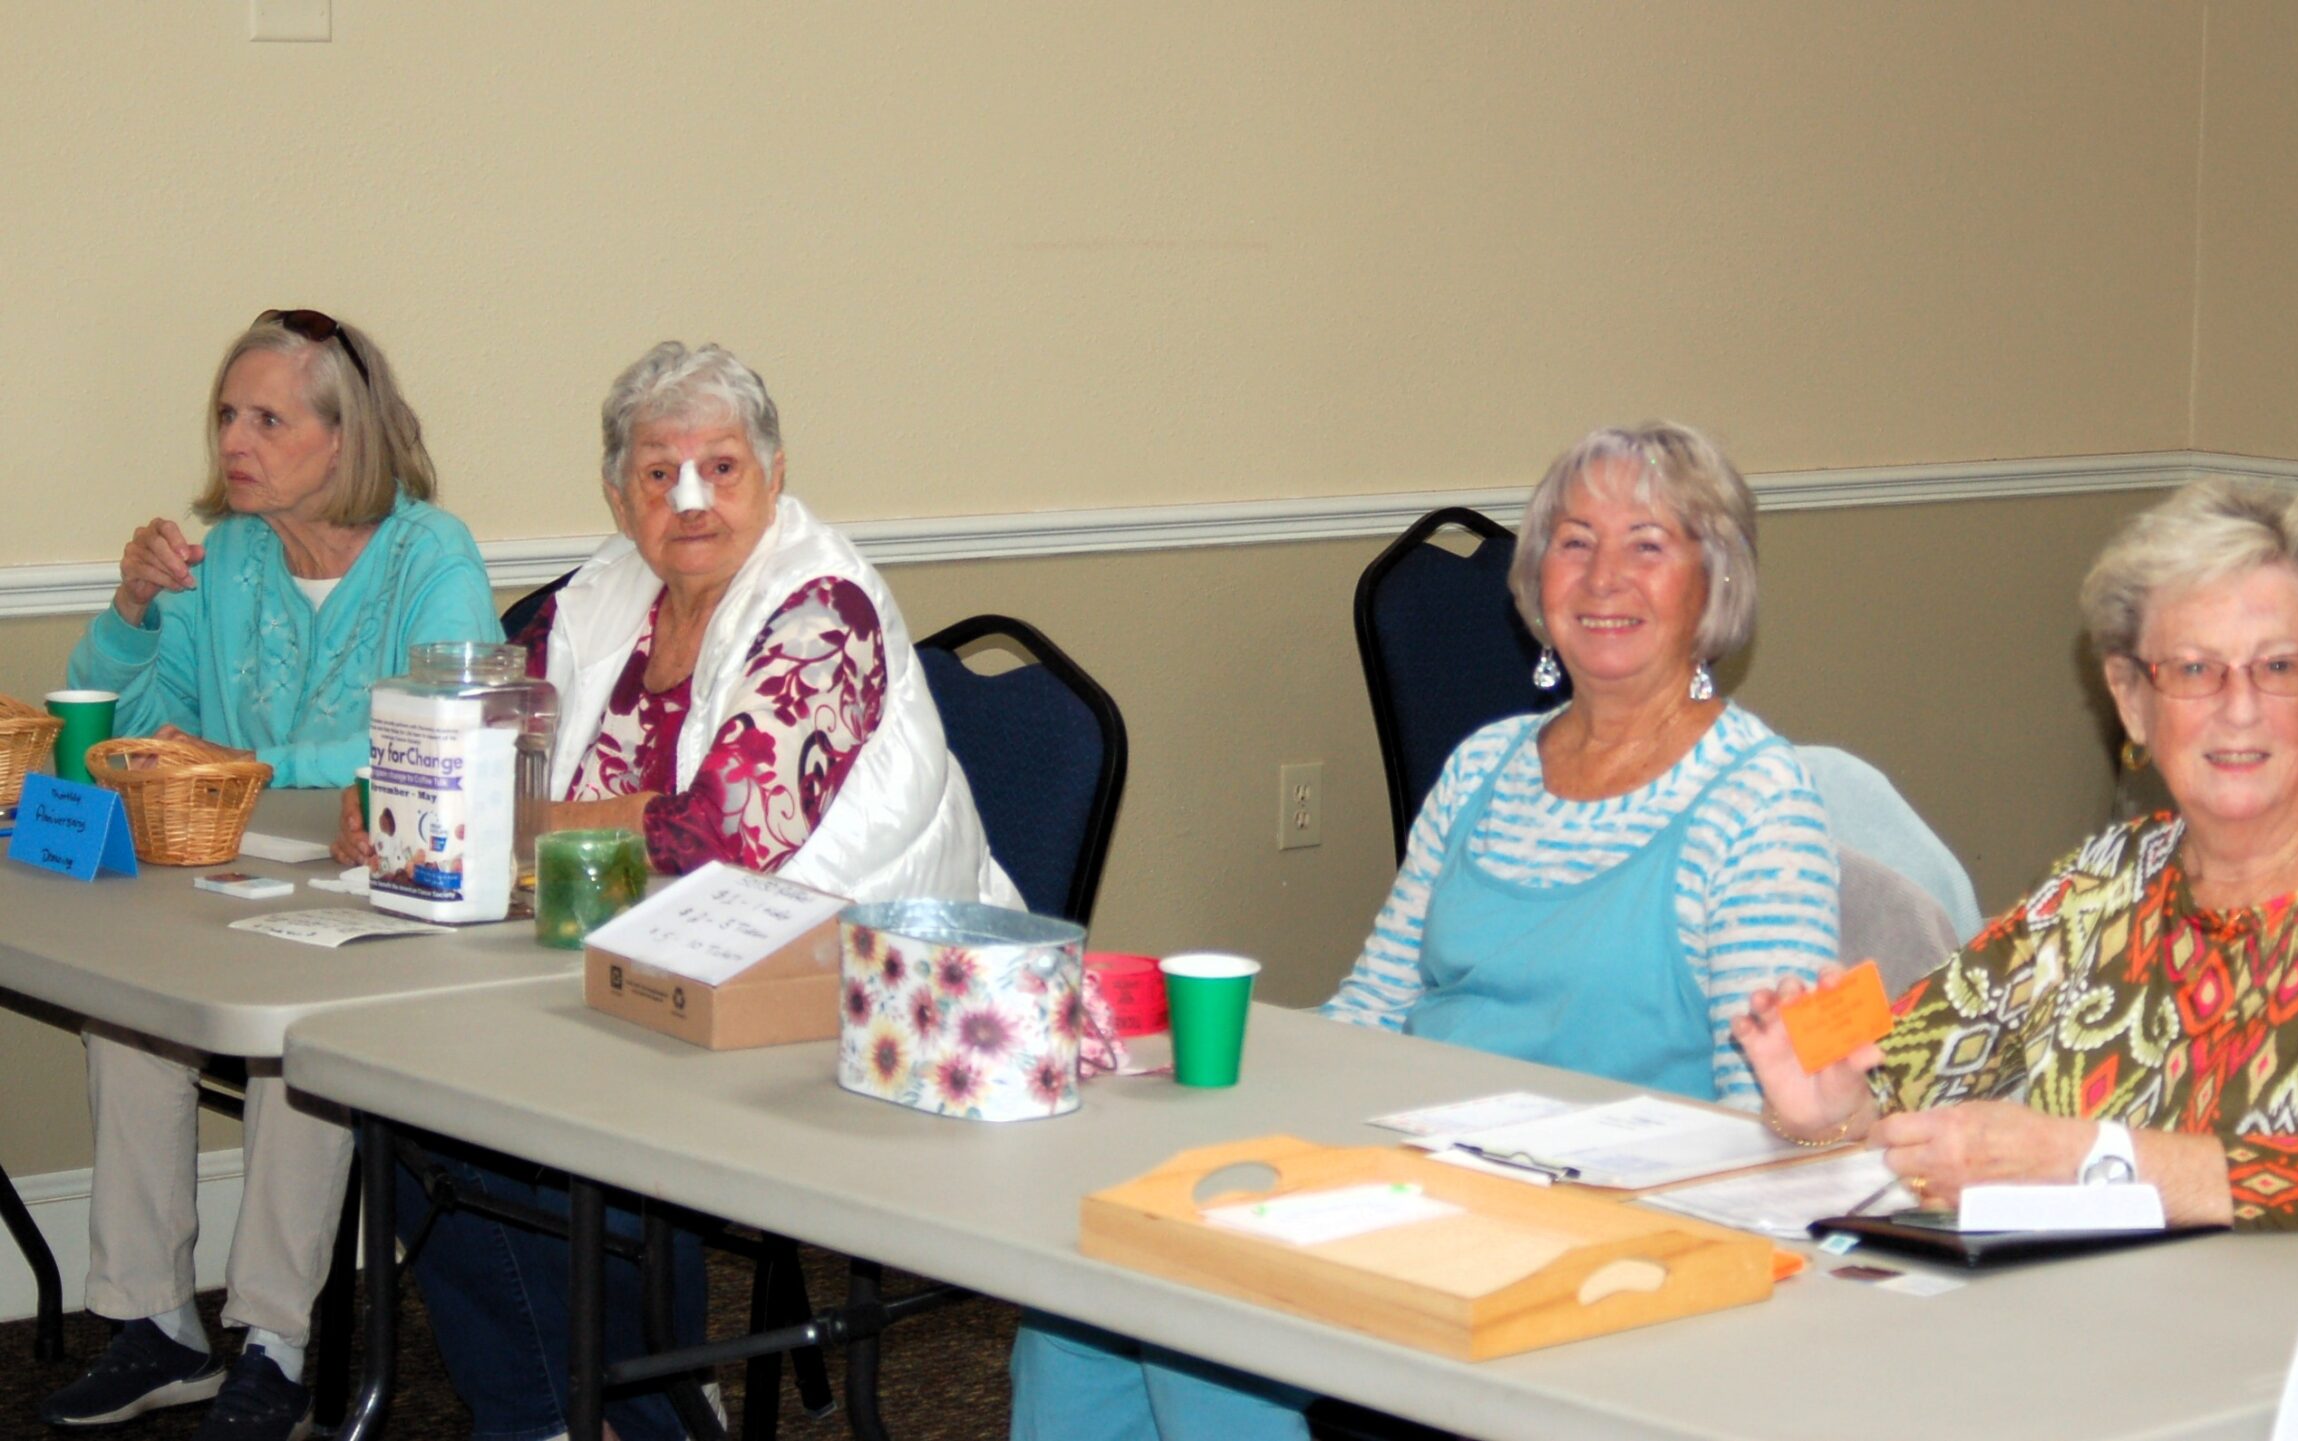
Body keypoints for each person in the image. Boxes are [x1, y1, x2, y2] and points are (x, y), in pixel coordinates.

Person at [1012, 422, 1841, 1441]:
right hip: (1417, 1173)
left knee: (1206, 1322)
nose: (1602, 576)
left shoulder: (1755, 798)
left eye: (1648, 543)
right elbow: (1370, 1008)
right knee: (1081, 1297)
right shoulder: (1485, 765)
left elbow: (1763, 1116)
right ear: (1536, 579)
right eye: (1573, 541)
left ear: (1713, 589)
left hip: (1599, 1217)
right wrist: (1171, 1065)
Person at [378, 341, 1017, 1441]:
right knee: (398, 1091)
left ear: (772, 474)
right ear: (617, 493)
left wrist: (505, 819)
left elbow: (731, 830)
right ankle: (562, 1408)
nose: (690, 498)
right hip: (646, 965)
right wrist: (391, 786)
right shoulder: (605, 595)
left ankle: (634, 1405)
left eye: (720, 468)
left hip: (849, 985)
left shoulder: (825, 613)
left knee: (524, 1109)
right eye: (657, 471)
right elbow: (483, 723)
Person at [1736, 479, 2298, 1259]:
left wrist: (2086, 1159)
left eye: (2277, 667)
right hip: (2115, 1328)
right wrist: (1836, 1103)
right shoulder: (2103, 883)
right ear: (2132, 699)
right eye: (2195, 670)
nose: (2240, 707)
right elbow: (1909, 1068)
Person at [41, 310, 499, 1440]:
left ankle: (277, 1343)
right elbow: (140, 737)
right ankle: (156, 1322)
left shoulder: (429, 552)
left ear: (342, 440)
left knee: (301, 1037)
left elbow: (448, 728)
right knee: (125, 1008)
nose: (234, 442)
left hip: (393, 888)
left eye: (266, 419)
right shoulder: (224, 555)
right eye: (227, 416)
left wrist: (246, 769)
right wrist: (134, 613)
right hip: (236, 878)